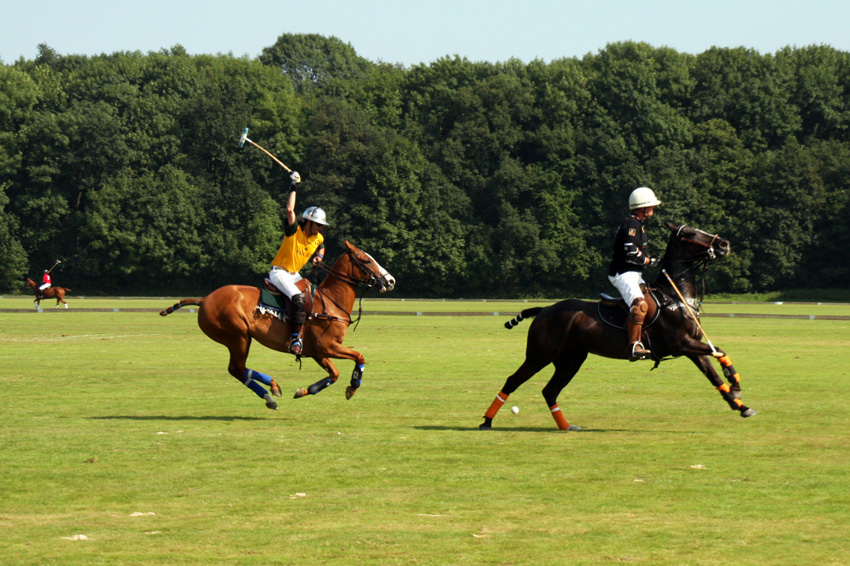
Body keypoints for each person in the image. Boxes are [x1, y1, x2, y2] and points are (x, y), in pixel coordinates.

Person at [268, 170, 327, 356]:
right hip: (280, 272)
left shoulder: (318, 238)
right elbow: (289, 210)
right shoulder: (294, 231)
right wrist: (294, 187)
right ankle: (295, 339)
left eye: (321, 226)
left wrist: (320, 257)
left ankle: (306, 332)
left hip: (294, 275)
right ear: (308, 222)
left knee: (313, 298)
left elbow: (322, 245)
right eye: (317, 225)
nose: (319, 229)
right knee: (298, 298)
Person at [607, 187, 662, 361]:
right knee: (640, 305)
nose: (653, 210)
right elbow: (631, 253)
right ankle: (633, 346)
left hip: (634, 273)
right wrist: (648, 261)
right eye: (651, 206)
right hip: (623, 273)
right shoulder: (632, 224)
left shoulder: (638, 224)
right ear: (642, 208)